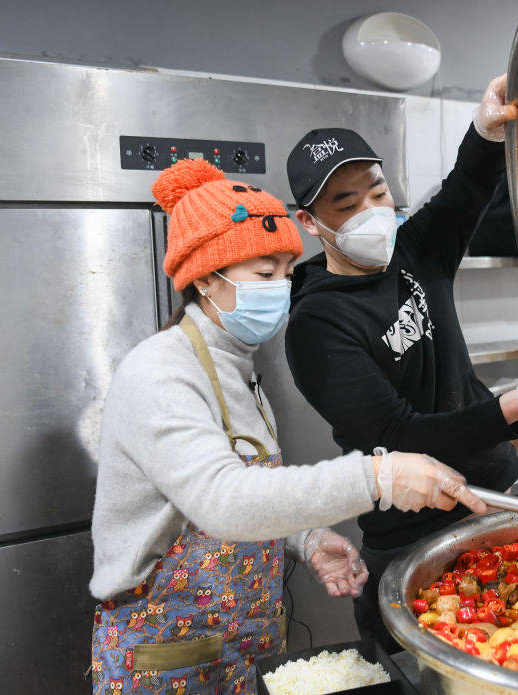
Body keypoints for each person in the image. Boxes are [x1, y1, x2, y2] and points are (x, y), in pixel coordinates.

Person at [88, 158, 486, 694]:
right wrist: (379, 477)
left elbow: (231, 491)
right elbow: (221, 500)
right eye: (264, 274)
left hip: (242, 641)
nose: (280, 288)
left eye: (286, 270)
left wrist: (303, 539)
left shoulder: (234, 365)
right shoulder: (161, 371)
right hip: (170, 657)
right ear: (205, 276)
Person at [284, 74, 518, 649]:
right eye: (347, 205)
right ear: (310, 222)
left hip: (494, 506)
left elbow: (465, 191)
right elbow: (399, 434)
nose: (372, 211)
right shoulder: (316, 326)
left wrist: (485, 131)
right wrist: (515, 406)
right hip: (411, 535)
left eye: (377, 193)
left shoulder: (413, 250)